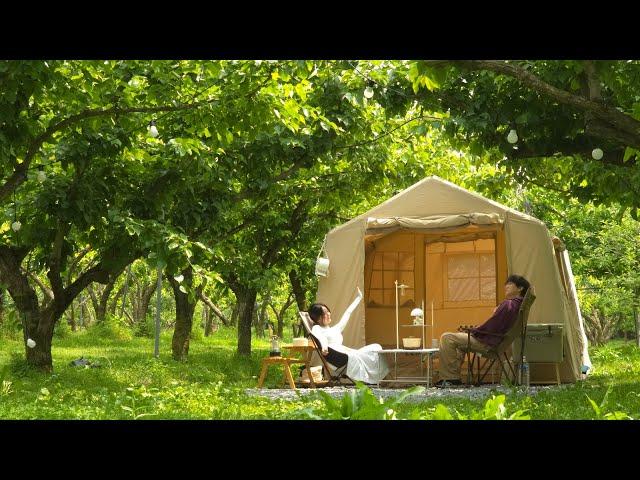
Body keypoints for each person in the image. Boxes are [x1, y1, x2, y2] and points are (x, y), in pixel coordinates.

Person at [434, 274, 531, 388]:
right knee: (459, 342)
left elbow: (493, 325)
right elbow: (496, 325)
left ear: (520, 288)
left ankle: (450, 378)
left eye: (510, 283)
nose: (506, 286)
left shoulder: (509, 304)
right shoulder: (518, 305)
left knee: (447, 337)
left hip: (489, 344)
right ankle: (453, 378)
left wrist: (474, 331)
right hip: (498, 343)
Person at [309, 288, 390, 384]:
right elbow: (321, 339)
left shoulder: (333, 329)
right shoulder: (317, 328)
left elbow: (347, 314)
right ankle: (385, 380)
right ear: (318, 318)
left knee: (376, 347)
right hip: (340, 358)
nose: (328, 314)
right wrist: (324, 347)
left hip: (347, 353)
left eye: (328, 311)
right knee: (370, 353)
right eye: (325, 313)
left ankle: (383, 377)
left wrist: (358, 298)